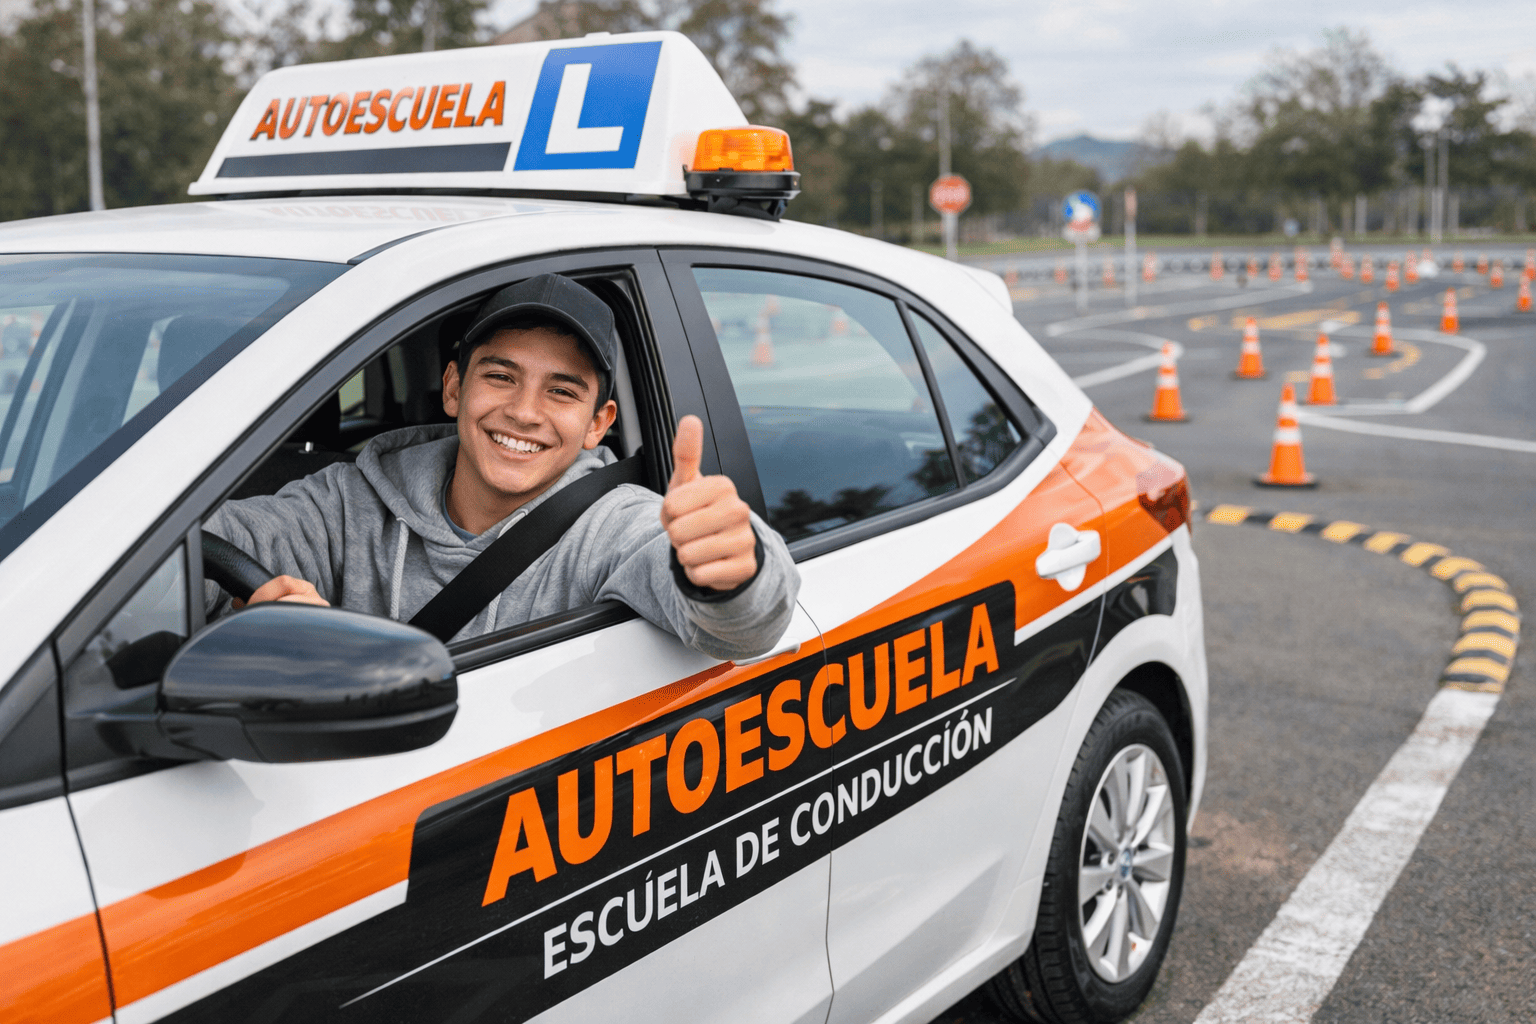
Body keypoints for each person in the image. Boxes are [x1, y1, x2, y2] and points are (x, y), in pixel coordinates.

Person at [204, 274, 798, 661]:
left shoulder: (612, 526)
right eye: (500, 376)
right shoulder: (350, 499)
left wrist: (732, 571)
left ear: (598, 422)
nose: (523, 412)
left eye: (562, 392)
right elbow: (196, 549)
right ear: (454, 387)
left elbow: (743, 632)